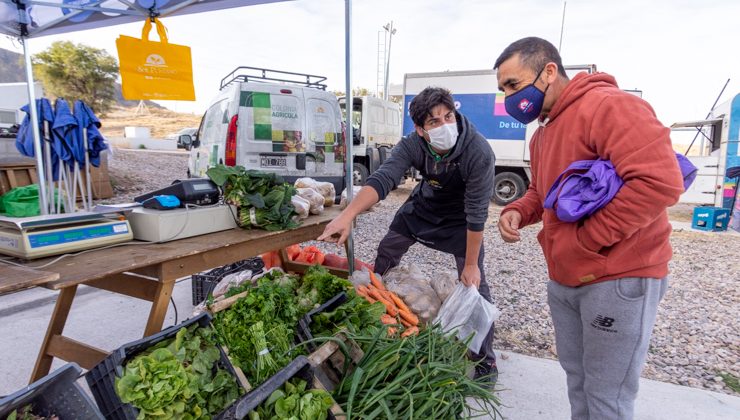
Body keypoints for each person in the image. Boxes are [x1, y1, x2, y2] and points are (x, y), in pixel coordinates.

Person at [493, 37, 684, 419]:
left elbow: (659, 183)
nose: (509, 98)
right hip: (567, 278)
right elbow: (541, 191)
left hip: (616, 276)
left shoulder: (610, 107)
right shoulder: (544, 131)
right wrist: (517, 210)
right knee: (578, 381)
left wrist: (587, 242)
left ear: (549, 71)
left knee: (607, 397)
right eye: (503, 90)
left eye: (513, 85)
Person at [318, 86, 498, 383]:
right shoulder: (412, 145)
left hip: (462, 218)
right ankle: (378, 322)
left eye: (448, 116)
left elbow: (478, 212)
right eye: (434, 122)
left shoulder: (478, 151)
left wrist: (470, 264)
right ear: (420, 129)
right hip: (423, 207)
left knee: (475, 283)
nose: (444, 126)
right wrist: (347, 216)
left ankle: (485, 360)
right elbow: (384, 178)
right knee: (387, 251)